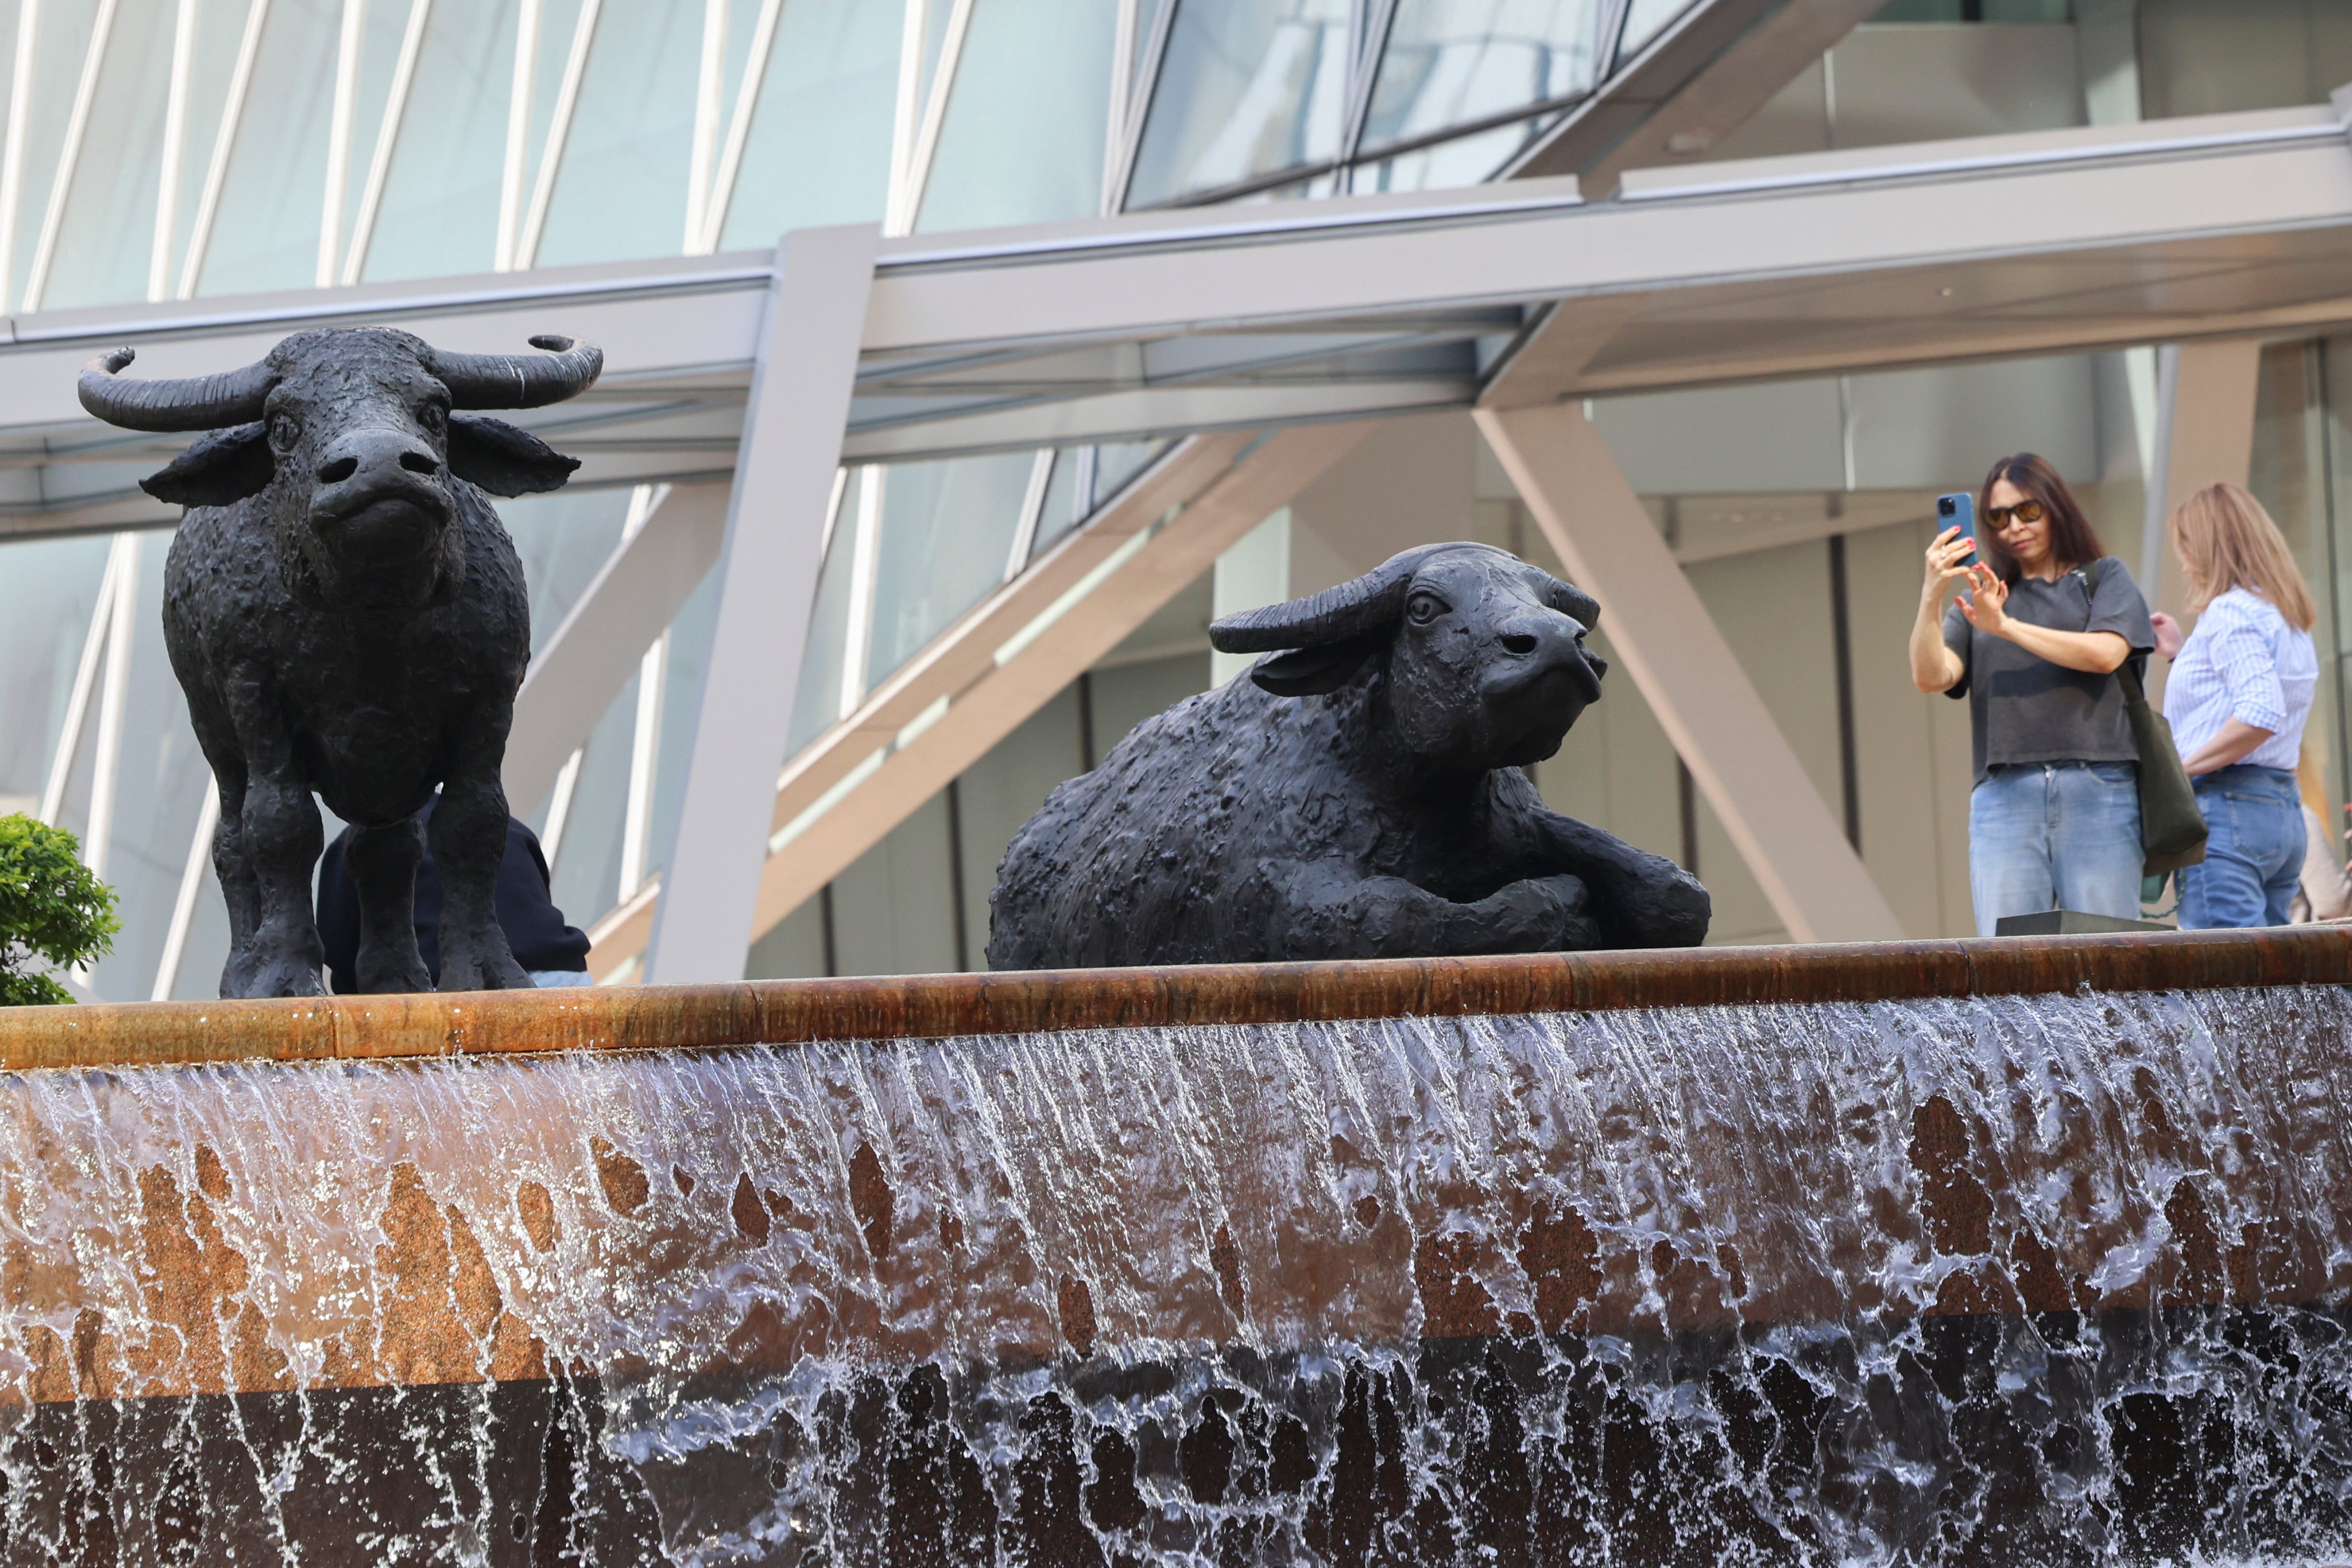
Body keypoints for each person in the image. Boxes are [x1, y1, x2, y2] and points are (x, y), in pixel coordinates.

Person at [1909, 452, 2155, 936]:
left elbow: (2107, 654)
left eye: (2028, 511)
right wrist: (1931, 595)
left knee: (2112, 963)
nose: (2014, 527)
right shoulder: (1982, 597)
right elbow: (1932, 675)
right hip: (2005, 795)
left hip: (2098, 786)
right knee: (2010, 970)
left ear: (2055, 506)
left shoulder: (2102, 578)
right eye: (1998, 517)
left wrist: (2006, 628)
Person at [2149, 482, 2319, 929]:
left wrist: (2178, 773)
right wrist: (2181, 654)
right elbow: (2250, 695)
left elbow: (2259, 714)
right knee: (2272, 983)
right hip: (2281, 810)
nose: (2184, 564)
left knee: (2227, 986)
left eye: (2186, 548)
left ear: (2207, 548)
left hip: (2227, 808)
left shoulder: (2229, 614)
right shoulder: (2288, 617)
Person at [316, 796, 591, 992]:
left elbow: (338, 946)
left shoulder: (359, 840)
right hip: (561, 982)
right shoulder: (506, 824)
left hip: (443, 987)